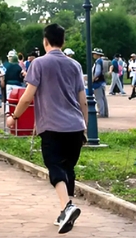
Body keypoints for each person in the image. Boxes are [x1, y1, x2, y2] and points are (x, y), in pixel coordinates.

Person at [7, 24, 87, 234]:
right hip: (76, 126)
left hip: (52, 126)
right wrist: (85, 127)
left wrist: (13, 117)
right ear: (63, 41)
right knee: (68, 169)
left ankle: (67, 207)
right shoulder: (75, 66)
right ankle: (65, 212)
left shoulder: (39, 64)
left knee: (55, 168)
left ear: (45, 41)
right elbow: (83, 100)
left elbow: (27, 96)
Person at [91, 49, 109, 117]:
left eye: (94, 54)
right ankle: (105, 112)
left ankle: (101, 113)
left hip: (98, 83)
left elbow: (97, 72)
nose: (93, 55)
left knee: (99, 98)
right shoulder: (102, 61)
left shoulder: (98, 62)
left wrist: (93, 79)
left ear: (97, 55)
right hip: (102, 82)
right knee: (103, 98)